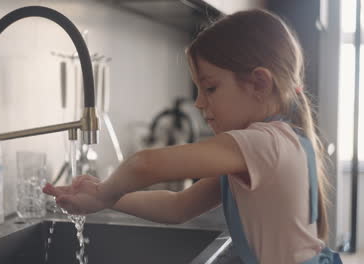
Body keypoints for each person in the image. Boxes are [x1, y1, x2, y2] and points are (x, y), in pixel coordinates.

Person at [43, 9, 343, 264]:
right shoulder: (269, 145)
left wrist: (105, 191)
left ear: (259, 84)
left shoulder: (264, 142)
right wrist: (106, 199)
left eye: (210, 88)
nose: (199, 103)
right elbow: (179, 206)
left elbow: (146, 164)